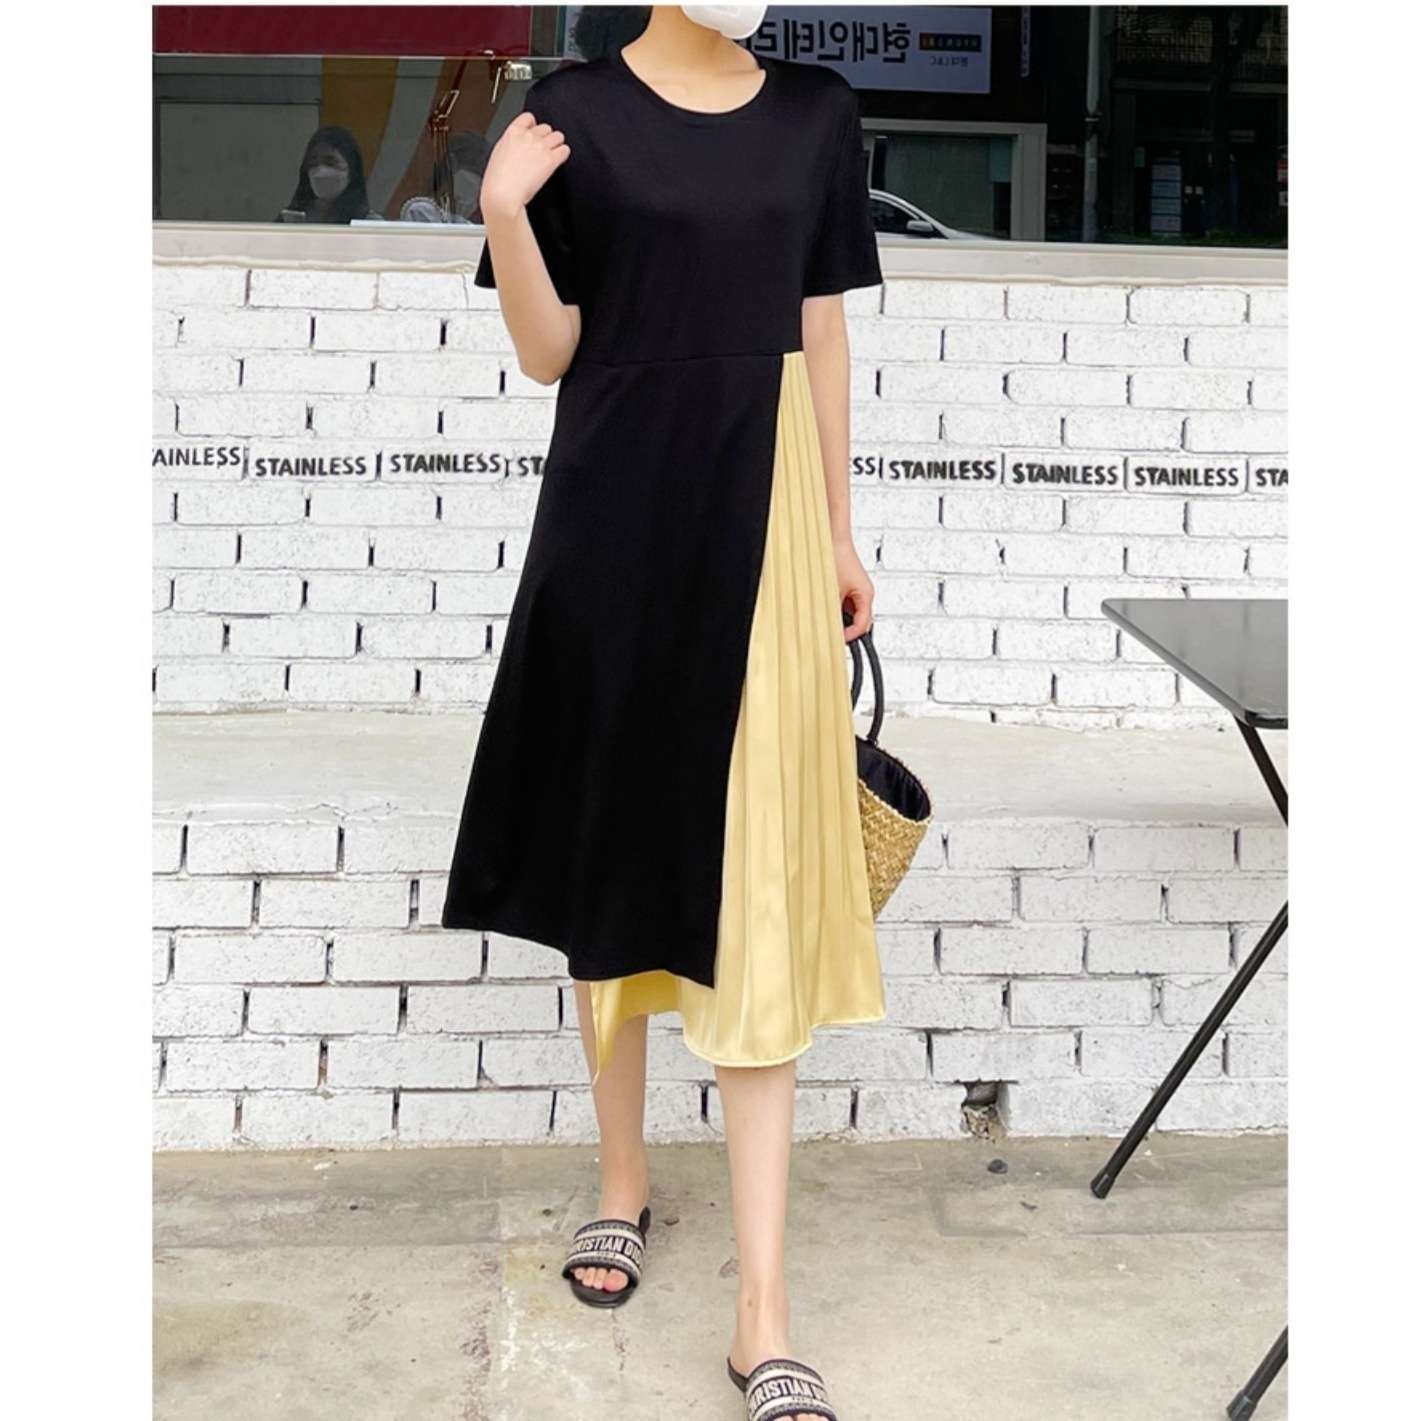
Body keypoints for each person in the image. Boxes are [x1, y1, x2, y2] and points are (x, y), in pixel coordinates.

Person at [441, 8, 883, 1419]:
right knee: (612, 854)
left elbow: (820, 328)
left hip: (764, 522)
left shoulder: (814, 113)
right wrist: (506, 214)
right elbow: (548, 352)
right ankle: (622, 1180)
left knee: (755, 886)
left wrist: (839, 530)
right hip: (614, 515)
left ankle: (764, 1314)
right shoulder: (571, 108)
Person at [278, 126, 370, 224]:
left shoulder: (369, 224)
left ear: (352, 169)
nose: (320, 171)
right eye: (313, 163)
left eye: (330, 162)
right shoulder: (290, 220)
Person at [399, 132, 494, 224]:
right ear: (451, 166)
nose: (469, 200)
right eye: (467, 186)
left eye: (478, 191)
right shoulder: (420, 211)